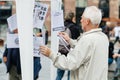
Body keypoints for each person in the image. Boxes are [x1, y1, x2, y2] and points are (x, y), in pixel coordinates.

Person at [40, 6, 109, 80]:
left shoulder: (87, 40)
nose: (81, 20)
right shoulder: (103, 38)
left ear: (87, 21)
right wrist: (70, 40)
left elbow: (70, 63)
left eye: (82, 18)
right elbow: (88, 50)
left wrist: (51, 54)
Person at [56, 12, 81, 80]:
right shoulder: (75, 27)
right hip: (71, 53)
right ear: (73, 18)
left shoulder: (61, 26)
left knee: (59, 74)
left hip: (61, 52)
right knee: (71, 75)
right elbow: (78, 41)